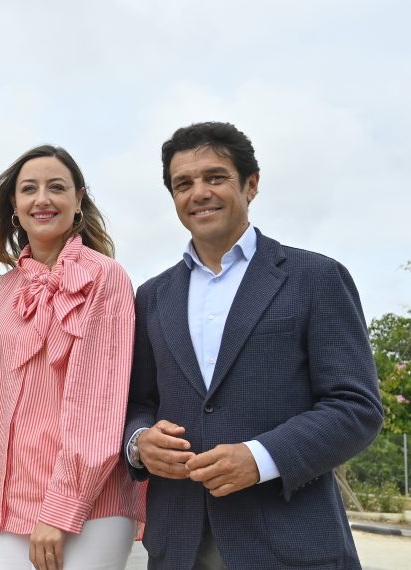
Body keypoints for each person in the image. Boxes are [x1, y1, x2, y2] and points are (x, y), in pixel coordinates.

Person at [124, 122, 383, 569]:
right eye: (183, 184)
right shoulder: (151, 297)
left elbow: (356, 407)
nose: (199, 192)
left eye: (215, 177)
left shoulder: (316, 278)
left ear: (251, 184)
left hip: (290, 541)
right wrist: (139, 442)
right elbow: (139, 402)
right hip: (179, 545)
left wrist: (261, 457)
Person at [0, 145, 145, 570]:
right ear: (14, 205)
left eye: (56, 188)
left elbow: (99, 402)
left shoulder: (105, 277)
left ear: (78, 200)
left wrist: (62, 506)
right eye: (29, 189)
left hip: (86, 506)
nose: (41, 199)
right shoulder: (0, 292)